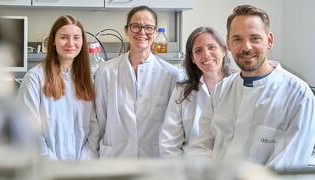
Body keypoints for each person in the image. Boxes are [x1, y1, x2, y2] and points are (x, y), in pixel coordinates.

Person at [188, 5, 315, 170]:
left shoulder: (299, 95)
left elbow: (289, 165)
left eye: (255, 38)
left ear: (269, 40)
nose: (246, 47)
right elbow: (201, 146)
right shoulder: (222, 89)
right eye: (237, 39)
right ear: (228, 43)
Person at [82, 5, 179, 158]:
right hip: (114, 158)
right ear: (126, 30)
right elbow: (99, 121)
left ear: (155, 32)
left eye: (148, 27)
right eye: (136, 26)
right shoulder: (106, 71)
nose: (142, 32)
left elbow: (174, 126)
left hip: (154, 160)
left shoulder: (171, 74)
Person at [18, 15, 94, 160]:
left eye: (76, 37)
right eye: (64, 37)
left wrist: (86, 158)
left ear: (82, 42)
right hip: (47, 166)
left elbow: (95, 125)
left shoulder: (87, 80)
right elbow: (28, 130)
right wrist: (51, 163)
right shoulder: (35, 78)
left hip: (83, 166)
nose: (71, 43)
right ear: (53, 41)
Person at [159, 27, 235, 158]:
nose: (206, 54)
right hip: (191, 172)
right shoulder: (182, 92)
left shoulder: (240, 85)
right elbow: (169, 143)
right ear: (193, 58)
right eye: (198, 50)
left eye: (211, 47)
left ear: (223, 50)